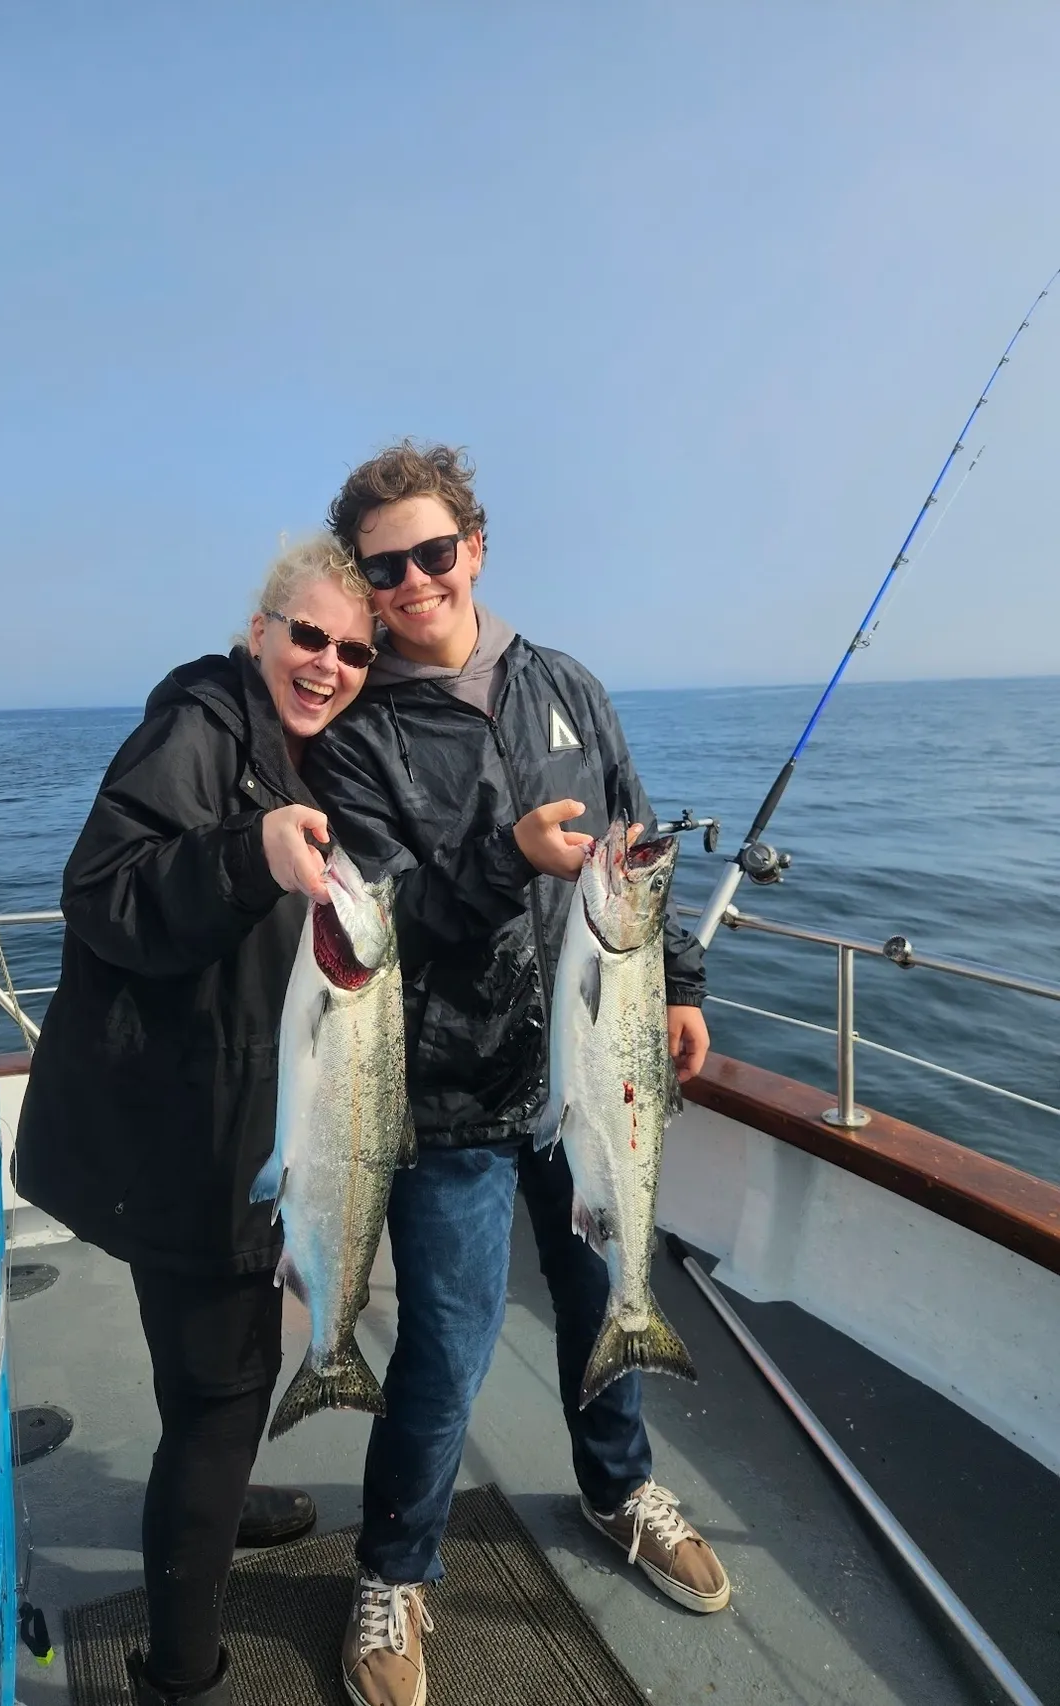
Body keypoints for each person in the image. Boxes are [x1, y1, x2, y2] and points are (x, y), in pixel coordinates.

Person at [303, 444, 729, 1706]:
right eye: (384, 567)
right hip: (444, 1095)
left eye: (433, 552)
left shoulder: (567, 688)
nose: (413, 579)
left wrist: (686, 990)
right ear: (365, 587)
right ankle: (394, 1568)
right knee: (443, 1348)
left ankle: (615, 1489)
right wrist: (504, 856)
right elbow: (378, 922)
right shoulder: (359, 735)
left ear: (474, 549)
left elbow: (636, 839)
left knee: (610, 1296)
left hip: (594, 1075)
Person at [13, 535, 376, 1706]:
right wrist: (245, 854)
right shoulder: (203, 727)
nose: (327, 664)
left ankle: (212, 1506)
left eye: (353, 650)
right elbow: (104, 887)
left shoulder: (284, 739)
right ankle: (183, 1671)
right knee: (224, 1390)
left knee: (205, 1385)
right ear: (260, 627)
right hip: (177, 1138)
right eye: (308, 634)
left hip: (206, 1120)